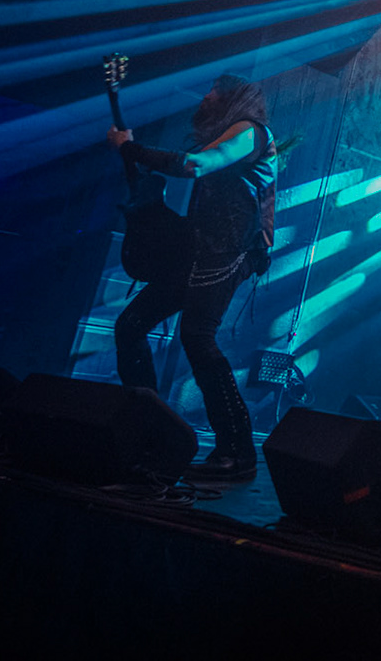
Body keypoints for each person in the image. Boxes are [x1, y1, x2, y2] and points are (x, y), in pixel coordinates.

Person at [108, 74, 277, 482]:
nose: (204, 97)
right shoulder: (224, 135)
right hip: (199, 251)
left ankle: (237, 451)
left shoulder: (251, 132)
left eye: (212, 92)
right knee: (130, 326)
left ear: (232, 100)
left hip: (233, 251)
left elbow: (195, 165)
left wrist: (129, 148)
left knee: (197, 336)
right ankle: (150, 427)